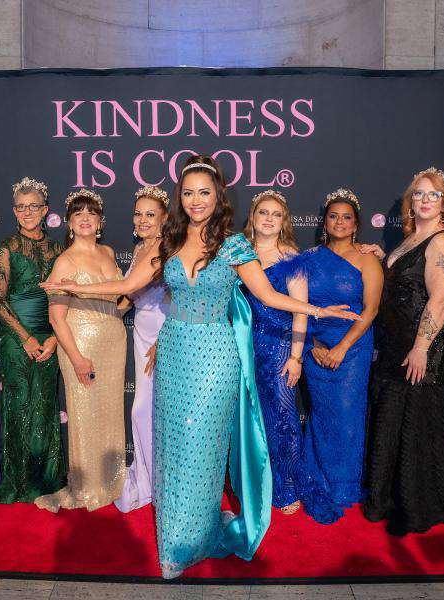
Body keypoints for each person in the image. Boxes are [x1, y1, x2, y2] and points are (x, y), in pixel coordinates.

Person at [43, 155, 358, 578]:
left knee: (203, 446)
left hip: (216, 356)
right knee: (174, 445)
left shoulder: (234, 245)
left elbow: (268, 296)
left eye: (204, 192)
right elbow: (128, 285)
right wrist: (72, 288)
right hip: (174, 351)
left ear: (218, 196)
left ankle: (201, 532)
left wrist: (318, 310)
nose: (196, 200)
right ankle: (176, 537)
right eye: (188, 192)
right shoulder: (168, 241)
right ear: (180, 197)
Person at [360, 167, 444, 535]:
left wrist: (421, 347)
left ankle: (422, 503)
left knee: (418, 420)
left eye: (434, 194)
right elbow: (405, 280)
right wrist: (382, 257)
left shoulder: (442, 241)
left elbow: (441, 299)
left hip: (426, 345)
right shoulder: (411, 239)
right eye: (419, 193)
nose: (425, 200)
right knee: (396, 417)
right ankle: (390, 497)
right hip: (397, 343)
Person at [34, 188, 128, 512]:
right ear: (70, 223)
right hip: (81, 343)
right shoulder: (65, 261)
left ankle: (112, 479)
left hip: (114, 341)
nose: (85, 218)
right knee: (85, 413)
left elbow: (118, 298)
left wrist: (126, 306)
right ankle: (87, 486)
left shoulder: (109, 252)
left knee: (110, 410)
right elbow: (56, 317)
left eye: (91, 213)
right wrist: (76, 358)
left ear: (100, 222)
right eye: (78, 213)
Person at [298, 188, 382, 525]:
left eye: (347, 217)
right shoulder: (309, 258)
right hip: (315, 347)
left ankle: (344, 486)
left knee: (347, 418)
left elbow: (371, 309)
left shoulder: (367, 259)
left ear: (356, 224)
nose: (340, 222)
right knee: (320, 415)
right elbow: (300, 306)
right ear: (325, 222)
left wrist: (342, 347)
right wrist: (313, 346)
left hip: (353, 349)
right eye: (333, 216)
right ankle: (316, 477)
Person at [0, 177, 66, 504]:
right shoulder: (6, 249)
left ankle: (44, 478)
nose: (27, 212)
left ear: (45, 210)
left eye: (34, 206)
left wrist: (55, 338)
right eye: (21, 207)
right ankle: (16, 479)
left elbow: (65, 300)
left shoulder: (58, 250)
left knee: (44, 403)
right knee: (18, 405)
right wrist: (26, 338)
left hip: (50, 334)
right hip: (16, 337)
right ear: (15, 211)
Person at [241, 189, 307, 514]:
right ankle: (255, 485)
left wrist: (296, 357)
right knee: (249, 421)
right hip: (242, 347)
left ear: (284, 222)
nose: (268, 219)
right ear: (253, 218)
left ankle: (287, 486)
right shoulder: (240, 253)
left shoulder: (291, 257)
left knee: (283, 417)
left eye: (276, 214)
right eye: (263, 212)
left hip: (279, 346)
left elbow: (301, 311)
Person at [115, 186, 171, 513]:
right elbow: (127, 298)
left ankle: (162, 482)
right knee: (145, 409)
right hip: (141, 332)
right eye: (138, 213)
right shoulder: (139, 249)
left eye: (151, 214)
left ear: (164, 218)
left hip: (165, 334)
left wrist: (165, 341)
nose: (143, 220)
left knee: (150, 409)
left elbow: (182, 298)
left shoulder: (169, 249)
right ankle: (149, 479)